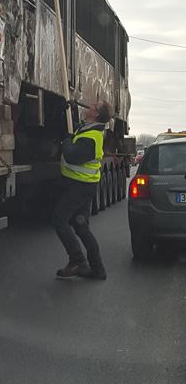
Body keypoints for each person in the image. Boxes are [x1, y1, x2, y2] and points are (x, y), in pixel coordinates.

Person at [51, 100, 112, 280]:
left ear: (96, 114)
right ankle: (97, 269)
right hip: (83, 185)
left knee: (59, 220)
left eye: (93, 106)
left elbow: (72, 156)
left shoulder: (93, 136)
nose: (89, 106)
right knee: (80, 226)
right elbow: (75, 128)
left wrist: (67, 140)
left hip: (80, 186)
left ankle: (78, 261)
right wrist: (68, 109)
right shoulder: (89, 130)